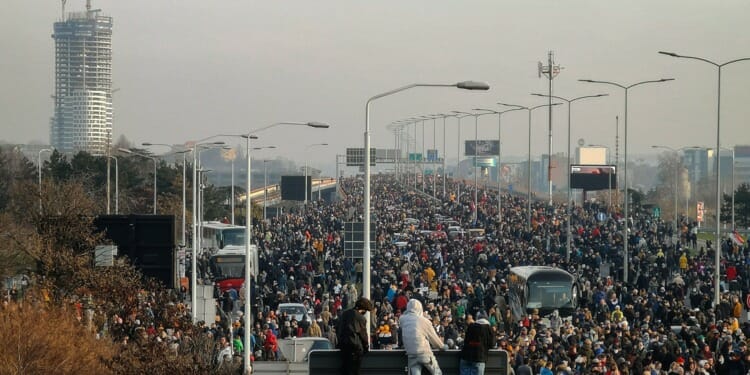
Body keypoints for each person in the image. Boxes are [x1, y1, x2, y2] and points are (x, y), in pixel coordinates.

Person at [399, 299, 446, 375]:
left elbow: (403, 317)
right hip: (424, 354)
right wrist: (442, 346)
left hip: (411, 355)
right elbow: (434, 338)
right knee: (437, 373)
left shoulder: (403, 320)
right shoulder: (424, 321)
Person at [336, 297, 373, 375]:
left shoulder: (345, 314)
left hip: (344, 347)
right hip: (355, 349)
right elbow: (363, 335)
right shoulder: (361, 318)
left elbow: (339, 330)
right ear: (363, 309)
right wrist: (366, 347)